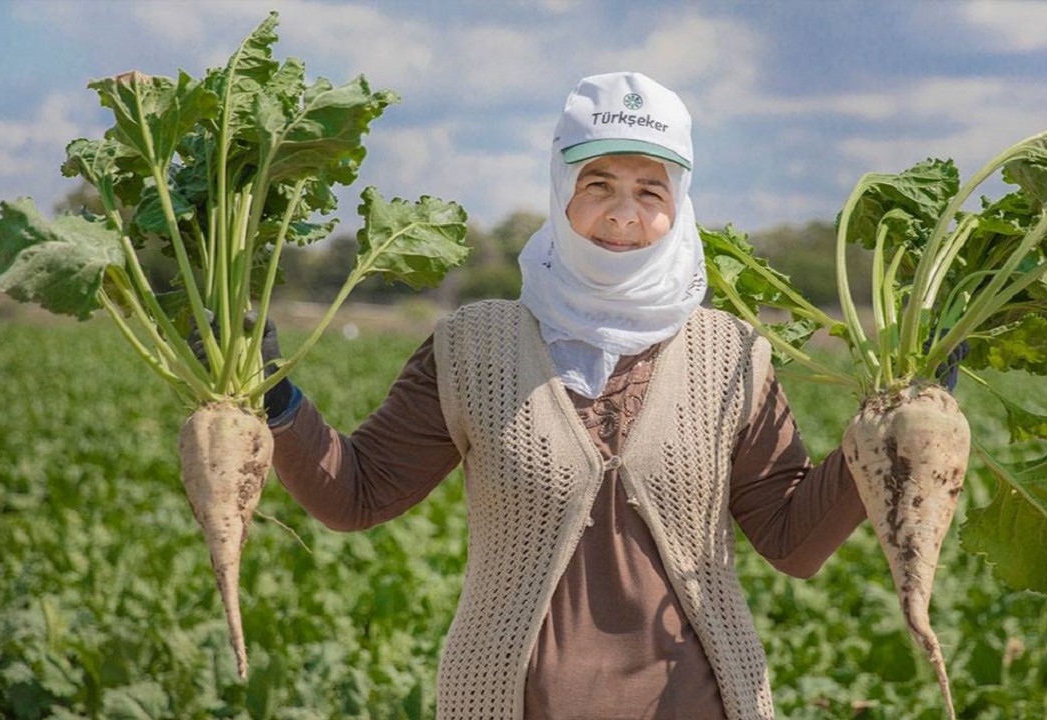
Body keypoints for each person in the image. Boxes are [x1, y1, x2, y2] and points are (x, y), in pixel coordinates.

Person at [261, 71, 869, 720]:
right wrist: (273, 397)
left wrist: (888, 435)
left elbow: (793, 541)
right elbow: (358, 494)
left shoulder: (731, 355)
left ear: (680, 200)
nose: (624, 213)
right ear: (560, 187)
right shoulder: (474, 347)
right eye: (598, 184)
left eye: (650, 190)